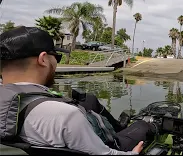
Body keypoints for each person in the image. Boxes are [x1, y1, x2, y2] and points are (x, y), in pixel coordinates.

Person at [0, 26, 157, 155]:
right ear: (42, 59)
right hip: (107, 148)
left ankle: (119, 126)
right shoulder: (66, 116)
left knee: (88, 100)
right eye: (56, 56)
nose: (56, 63)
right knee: (144, 126)